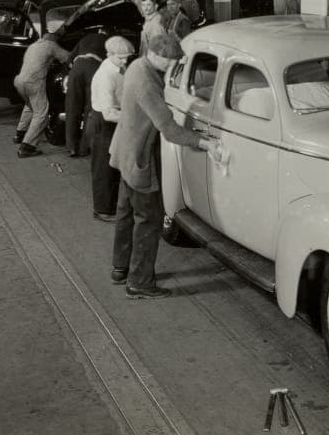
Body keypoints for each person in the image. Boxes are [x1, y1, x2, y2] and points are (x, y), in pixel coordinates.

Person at [109, 32, 223, 299]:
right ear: (155, 55)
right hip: (139, 158)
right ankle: (140, 283)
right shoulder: (147, 83)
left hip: (124, 151)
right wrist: (204, 142)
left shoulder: (137, 66)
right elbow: (169, 129)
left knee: (125, 214)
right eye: (170, 63)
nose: (172, 67)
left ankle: (120, 268)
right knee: (148, 220)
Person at [87, 35, 135, 222]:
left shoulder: (117, 67)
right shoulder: (106, 75)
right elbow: (108, 113)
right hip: (103, 123)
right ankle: (102, 210)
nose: (125, 61)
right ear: (109, 54)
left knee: (112, 167)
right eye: (121, 57)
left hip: (112, 120)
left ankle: (110, 206)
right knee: (104, 169)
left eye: (127, 57)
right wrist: (133, 117)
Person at [13, 31, 72, 158]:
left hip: (19, 81)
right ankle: (27, 147)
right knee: (41, 114)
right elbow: (67, 57)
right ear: (54, 40)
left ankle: (19, 134)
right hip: (33, 83)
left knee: (30, 106)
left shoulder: (33, 46)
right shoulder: (50, 45)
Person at [64, 30, 108, 157]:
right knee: (90, 109)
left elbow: (69, 59)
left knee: (72, 107)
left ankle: (71, 147)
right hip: (94, 69)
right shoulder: (109, 40)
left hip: (77, 67)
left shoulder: (86, 37)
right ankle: (84, 148)